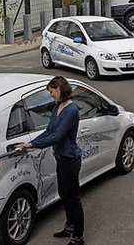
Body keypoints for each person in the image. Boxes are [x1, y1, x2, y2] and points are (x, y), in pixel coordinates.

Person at [17, 76, 85, 245]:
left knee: (73, 197)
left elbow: (57, 136)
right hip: (60, 158)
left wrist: (33, 144)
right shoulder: (58, 107)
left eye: (52, 92)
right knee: (64, 194)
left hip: (70, 160)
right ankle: (69, 226)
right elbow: (49, 131)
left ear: (60, 89)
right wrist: (28, 144)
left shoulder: (71, 110)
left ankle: (78, 236)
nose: (51, 95)